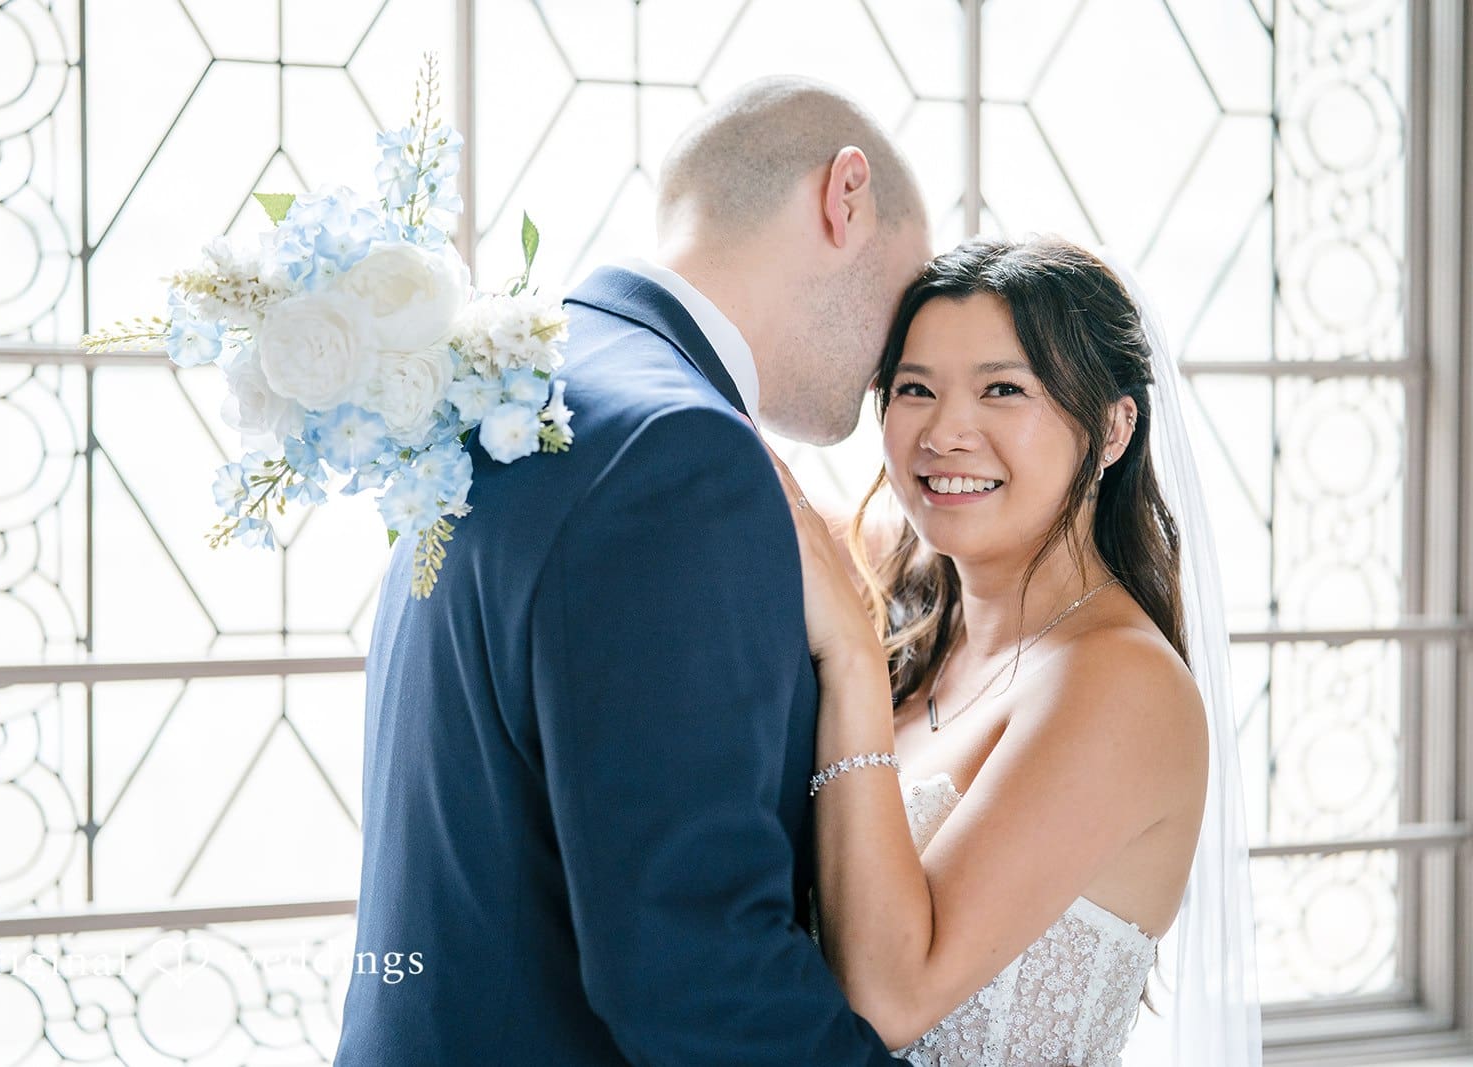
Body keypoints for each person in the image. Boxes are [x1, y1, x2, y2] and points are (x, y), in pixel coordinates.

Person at [334, 76, 931, 1065]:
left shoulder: (529, 388)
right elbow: (693, 963)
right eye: (912, 290)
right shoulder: (677, 451)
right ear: (846, 196)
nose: (899, 359)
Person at [768, 236, 1261, 1065]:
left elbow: (889, 1001)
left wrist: (849, 658)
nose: (946, 433)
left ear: (1112, 429)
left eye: (1004, 389)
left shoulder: (1120, 681)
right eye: (914, 389)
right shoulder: (914, 602)